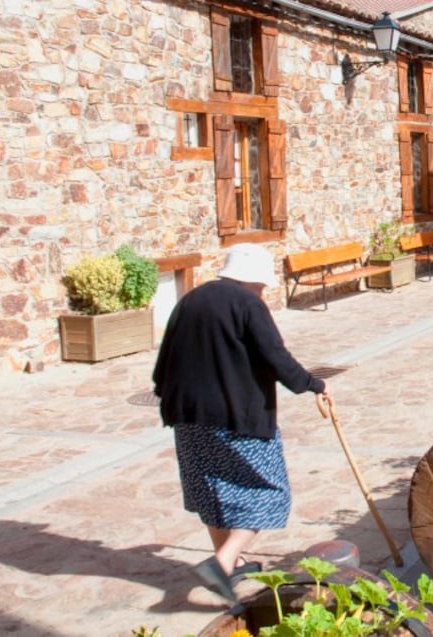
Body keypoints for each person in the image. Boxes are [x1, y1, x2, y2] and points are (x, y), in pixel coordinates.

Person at [152, 243, 330, 605]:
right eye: (263, 286)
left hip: (186, 414)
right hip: (235, 416)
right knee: (270, 492)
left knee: (213, 489)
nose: (263, 292)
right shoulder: (248, 304)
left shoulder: (191, 300)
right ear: (253, 280)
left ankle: (232, 566)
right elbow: (276, 357)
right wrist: (313, 384)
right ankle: (223, 562)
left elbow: (164, 358)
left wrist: (167, 395)